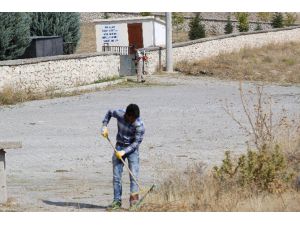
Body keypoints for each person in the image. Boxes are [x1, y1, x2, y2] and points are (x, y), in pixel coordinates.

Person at [101, 104, 145, 209]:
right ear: (127, 115)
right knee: (116, 176)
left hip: (132, 150)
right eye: (132, 118)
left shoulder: (140, 125)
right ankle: (117, 201)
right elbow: (109, 112)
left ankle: (134, 202)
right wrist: (104, 125)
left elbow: (136, 144)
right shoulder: (120, 113)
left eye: (135, 118)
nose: (134, 121)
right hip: (119, 145)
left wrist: (124, 152)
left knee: (134, 176)